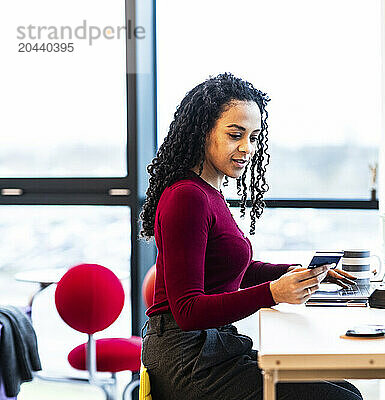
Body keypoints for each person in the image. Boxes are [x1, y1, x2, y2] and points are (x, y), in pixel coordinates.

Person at [139, 73, 362, 400]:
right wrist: (273, 293)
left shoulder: (208, 191)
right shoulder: (187, 197)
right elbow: (187, 311)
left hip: (211, 347)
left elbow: (231, 268)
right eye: (235, 135)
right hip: (188, 360)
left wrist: (294, 274)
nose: (247, 148)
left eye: (254, 137)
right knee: (341, 399)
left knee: (344, 390)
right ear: (203, 131)